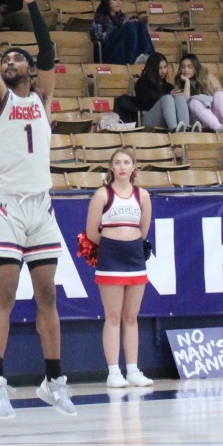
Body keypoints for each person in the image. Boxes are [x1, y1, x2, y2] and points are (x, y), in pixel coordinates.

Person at [0, 0, 75, 419]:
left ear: (29, 69)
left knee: (47, 296)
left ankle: (53, 379)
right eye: (5, 59)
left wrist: (30, 2)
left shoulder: (42, 98)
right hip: (6, 207)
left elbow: (48, 50)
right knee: (5, 294)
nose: (8, 61)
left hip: (41, 206)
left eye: (16, 58)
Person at [83, 149, 154, 389]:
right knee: (112, 316)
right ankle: (114, 372)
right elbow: (92, 232)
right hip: (110, 257)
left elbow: (143, 231)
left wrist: (130, 243)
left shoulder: (142, 196)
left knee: (131, 317)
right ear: (111, 168)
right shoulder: (102, 195)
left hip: (134, 257)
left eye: (126, 162)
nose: (122, 166)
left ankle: (133, 370)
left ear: (134, 167)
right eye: (117, 162)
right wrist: (113, 244)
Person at [177, 52, 223, 132]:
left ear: (196, 67)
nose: (186, 70)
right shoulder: (179, 82)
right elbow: (184, 101)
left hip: (213, 113)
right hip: (197, 120)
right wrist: (187, 82)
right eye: (183, 67)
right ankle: (218, 128)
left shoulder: (208, 77)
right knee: (194, 101)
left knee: (220, 95)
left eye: (190, 67)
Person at [90, 0, 155, 63]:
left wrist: (130, 24)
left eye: (120, 0)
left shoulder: (123, 17)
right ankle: (133, 58)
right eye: (115, 0)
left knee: (139, 24)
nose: (118, 3)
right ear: (107, 1)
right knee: (129, 26)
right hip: (109, 52)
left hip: (123, 49)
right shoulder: (99, 18)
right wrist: (121, 29)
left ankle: (150, 56)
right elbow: (101, 40)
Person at [127, 52, 181, 130]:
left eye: (165, 67)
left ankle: (184, 129)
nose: (163, 71)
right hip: (147, 118)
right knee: (167, 99)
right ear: (152, 69)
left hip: (165, 120)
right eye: (160, 68)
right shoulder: (142, 83)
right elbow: (145, 104)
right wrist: (167, 95)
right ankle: (175, 130)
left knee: (179, 97)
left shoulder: (168, 86)